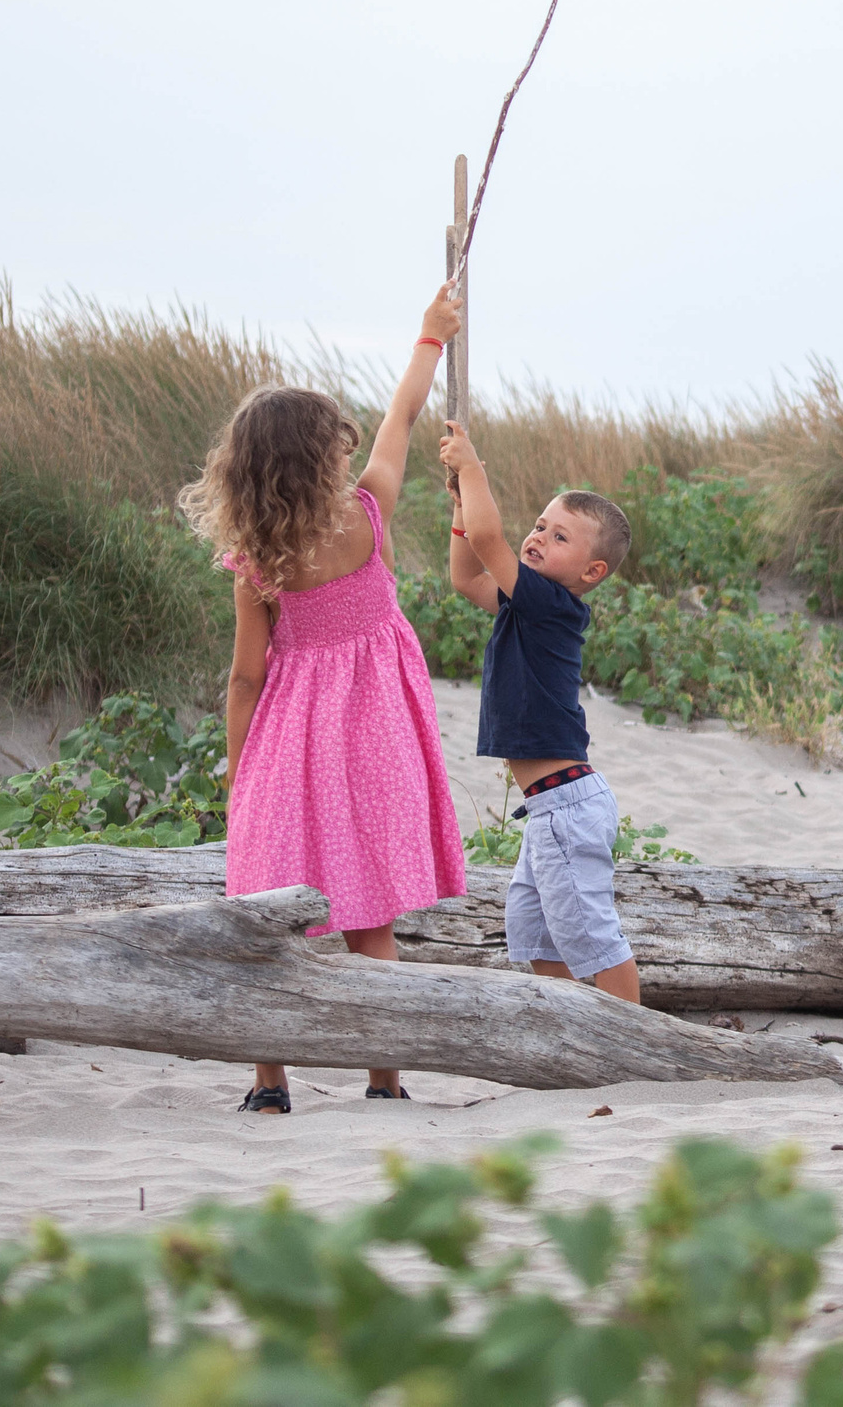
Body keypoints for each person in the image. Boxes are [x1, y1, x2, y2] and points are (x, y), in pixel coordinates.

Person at [178, 284, 469, 1113]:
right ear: (322, 461)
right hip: (375, 732)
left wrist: (241, 773)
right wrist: (430, 337)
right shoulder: (366, 515)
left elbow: (245, 677)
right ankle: (385, 1076)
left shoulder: (258, 560)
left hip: (292, 740)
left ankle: (269, 1085)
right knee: (370, 911)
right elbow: (402, 419)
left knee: (274, 912)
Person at [436, 421, 642, 1005]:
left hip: (566, 807)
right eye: (538, 527)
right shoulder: (522, 604)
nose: (537, 539)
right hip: (548, 808)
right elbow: (465, 574)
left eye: (559, 538)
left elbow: (487, 538)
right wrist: (458, 504)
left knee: (595, 937)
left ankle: (633, 1038)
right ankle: (572, 1024)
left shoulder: (552, 605)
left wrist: (472, 466)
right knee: (536, 933)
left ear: (591, 572)